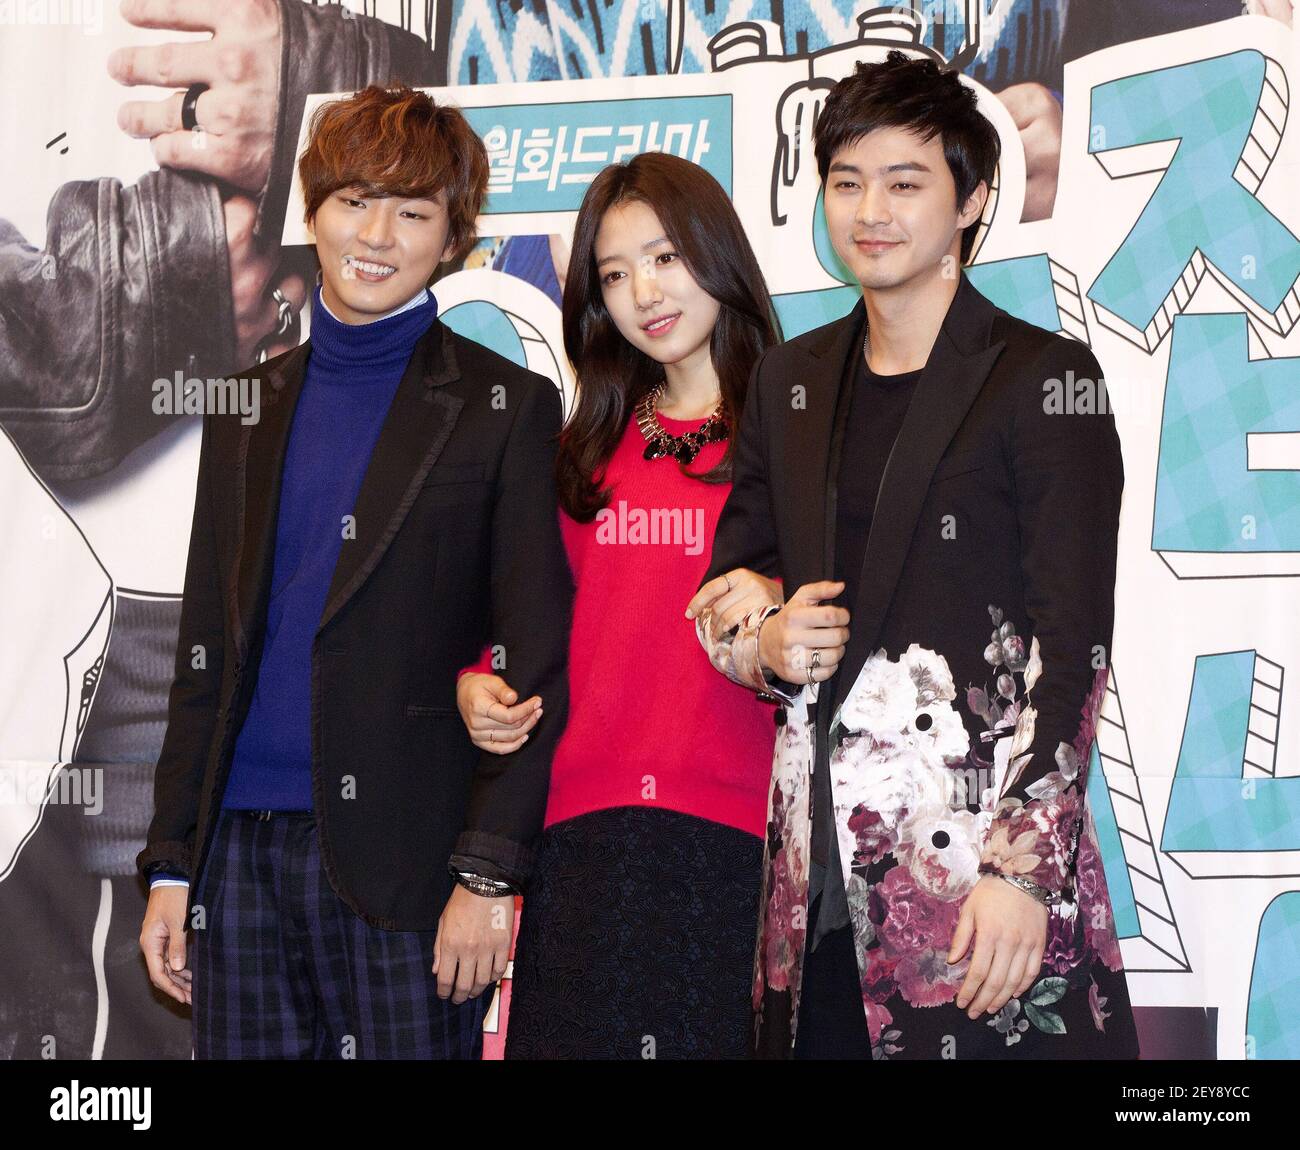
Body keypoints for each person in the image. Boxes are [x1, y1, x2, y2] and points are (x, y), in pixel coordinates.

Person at [688, 50, 1140, 1060]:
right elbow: (724, 585)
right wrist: (760, 641)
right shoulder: (787, 381)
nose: (869, 210)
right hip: (814, 895)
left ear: (972, 200)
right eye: (846, 183)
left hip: (978, 882)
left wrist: (1024, 870)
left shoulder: (1042, 378)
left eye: (904, 182)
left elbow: (1073, 645)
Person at [135, 84, 573, 1059]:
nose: (377, 233)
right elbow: (204, 650)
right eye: (354, 200)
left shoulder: (506, 407)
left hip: (409, 865)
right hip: (236, 853)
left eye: (413, 211)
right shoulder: (247, 404)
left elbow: (533, 658)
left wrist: (489, 873)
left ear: (454, 237)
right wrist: (172, 865)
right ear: (313, 210)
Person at [455, 151, 782, 1059]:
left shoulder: (793, 432)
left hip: (733, 833)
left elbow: (850, 607)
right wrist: (480, 684)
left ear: (717, 254)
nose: (644, 290)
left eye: (666, 256)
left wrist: (779, 602)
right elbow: (532, 624)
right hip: (580, 836)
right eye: (614, 272)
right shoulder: (582, 450)